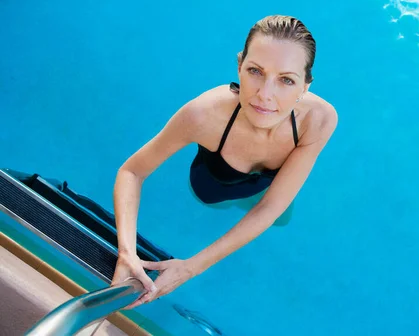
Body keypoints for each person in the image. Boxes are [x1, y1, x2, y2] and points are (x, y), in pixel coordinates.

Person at [110, 15, 338, 308]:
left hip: (268, 191)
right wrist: (126, 252)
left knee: (279, 214)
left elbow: (270, 208)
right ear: (239, 66)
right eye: (255, 71)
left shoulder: (318, 121)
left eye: (286, 80)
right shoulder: (204, 115)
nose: (265, 95)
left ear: (306, 86)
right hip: (214, 183)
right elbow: (132, 171)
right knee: (224, 202)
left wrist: (189, 267)